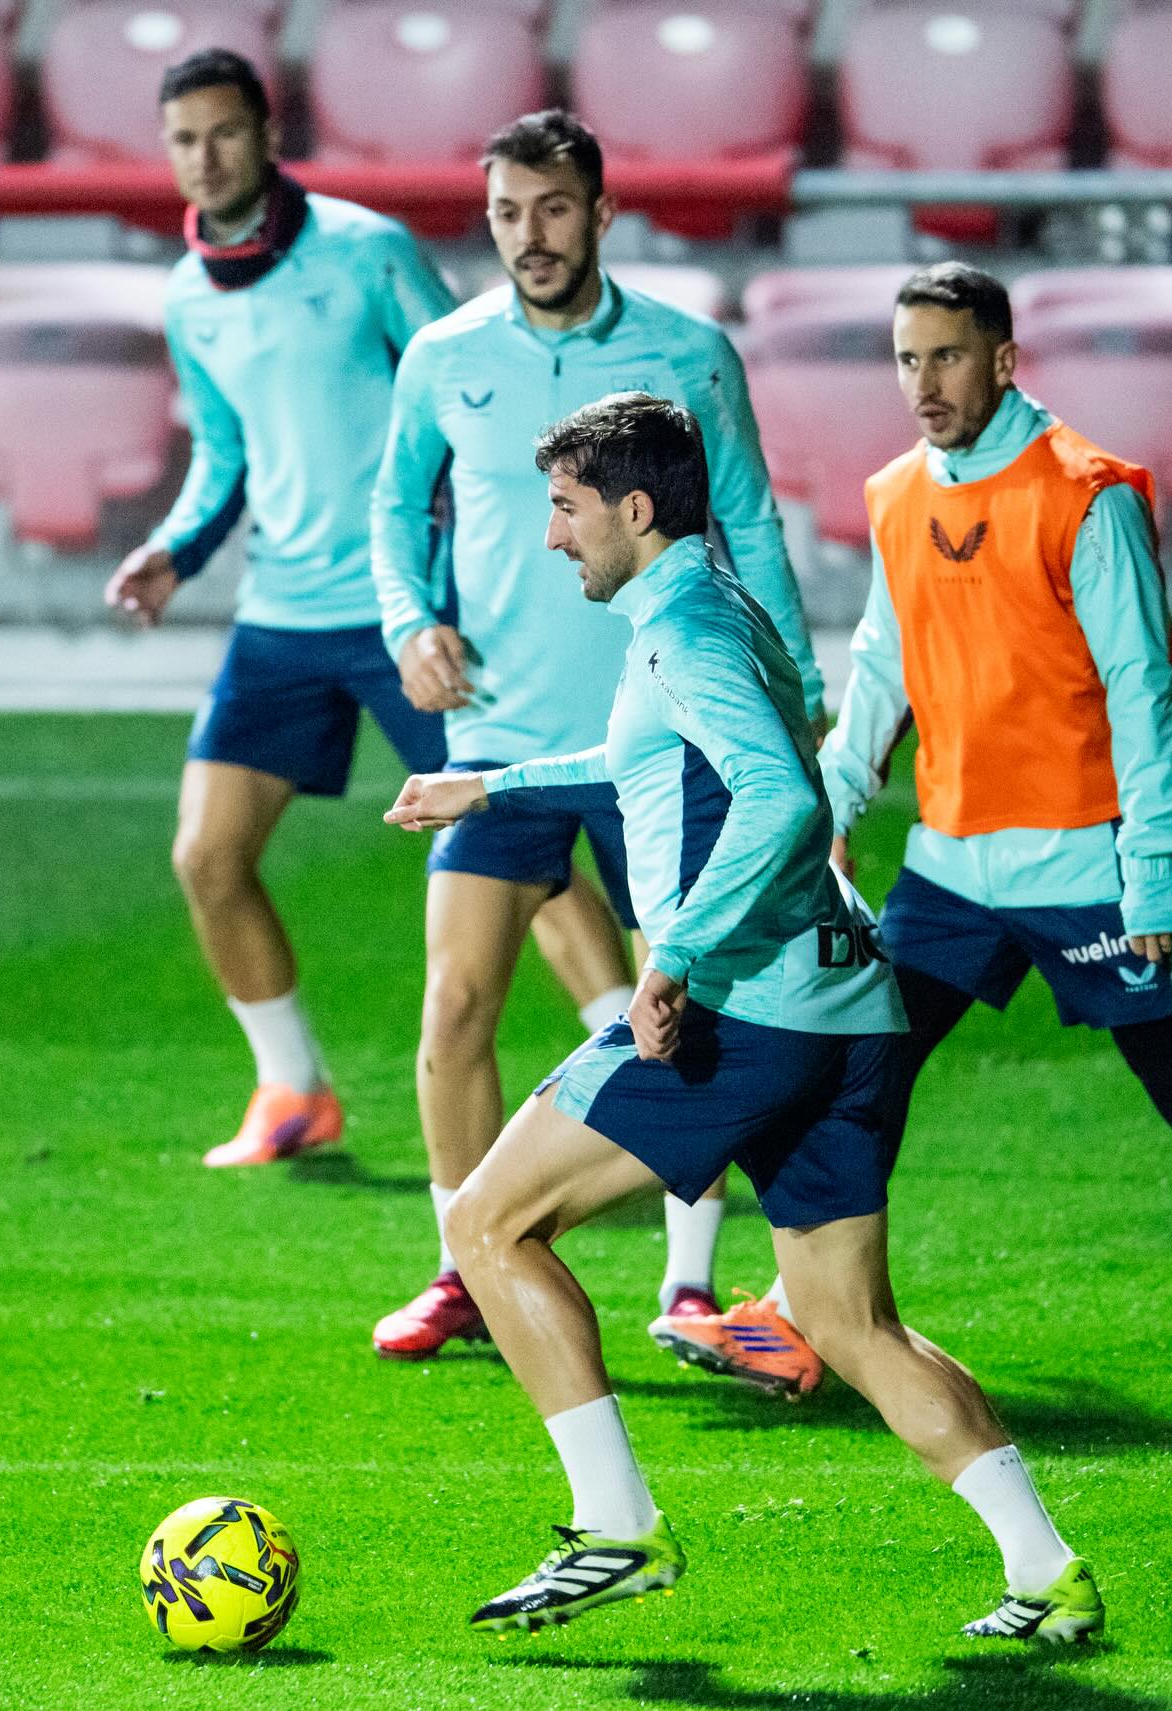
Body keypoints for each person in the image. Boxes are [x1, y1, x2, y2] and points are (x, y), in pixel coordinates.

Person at [383, 392, 1105, 1642]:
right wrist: (490, 786)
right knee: (847, 1319)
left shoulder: (683, 632)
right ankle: (1049, 1576)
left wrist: (679, 962)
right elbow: (655, 757)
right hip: (847, 999)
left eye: (565, 509)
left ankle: (616, 1528)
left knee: (491, 1222)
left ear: (635, 508)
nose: (553, 537)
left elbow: (779, 800)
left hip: (749, 1008)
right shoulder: (715, 606)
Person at [816, 261, 1172, 1408]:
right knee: (865, 1075)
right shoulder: (898, 494)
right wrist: (829, 817)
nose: (924, 383)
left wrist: (1150, 875)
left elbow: (1142, 689)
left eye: (946, 357)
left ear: (1002, 359)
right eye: (907, 359)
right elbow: (877, 675)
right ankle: (829, 1316)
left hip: (1088, 860)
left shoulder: (1083, 493)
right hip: (951, 864)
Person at [369, 109, 829, 1373]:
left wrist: (791, 693)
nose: (530, 235)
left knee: (680, 1007)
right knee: (455, 1005)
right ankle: (464, 1259)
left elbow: (751, 523)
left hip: (664, 741)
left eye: (554, 209)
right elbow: (396, 505)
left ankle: (688, 1283)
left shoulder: (690, 353)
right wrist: (411, 622)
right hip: (502, 729)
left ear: (603, 212)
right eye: (508, 212)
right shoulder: (444, 353)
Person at [105, 52, 622, 1169]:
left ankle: (630, 1072)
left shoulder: (367, 253)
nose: (206, 155)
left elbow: (466, 409)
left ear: (266, 129)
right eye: (185, 138)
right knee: (207, 857)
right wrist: (171, 552)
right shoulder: (187, 298)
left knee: (518, 854)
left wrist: (456, 589)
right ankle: (291, 1087)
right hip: (282, 614)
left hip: (416, 618)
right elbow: (227, 454)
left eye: (225, 132)